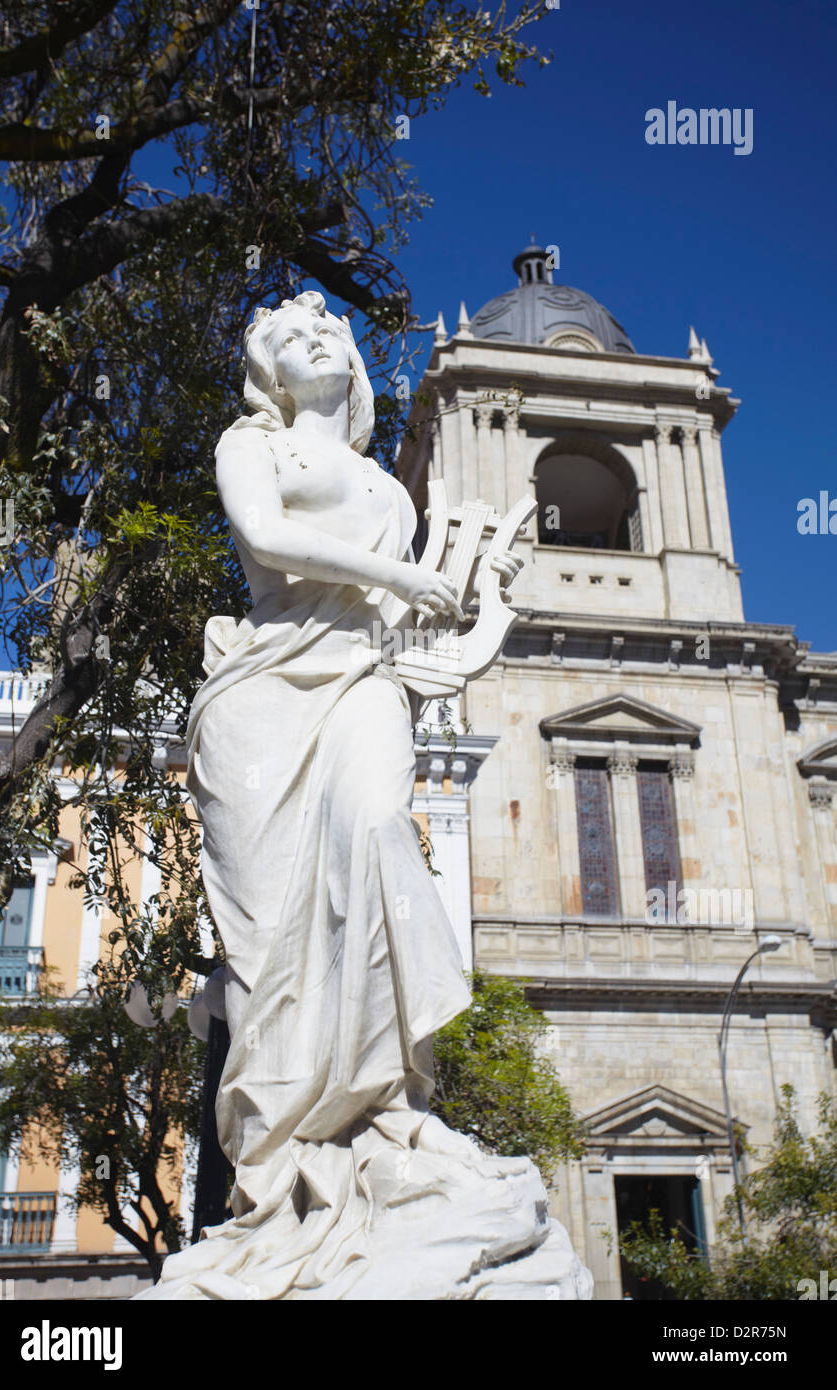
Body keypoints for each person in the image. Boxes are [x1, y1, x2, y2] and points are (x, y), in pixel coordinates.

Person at [141, 291, 576, 1301]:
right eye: (287, 341)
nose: (311, 344)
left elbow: (408, 624)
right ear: (270, 376)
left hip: (360, 683)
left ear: (348, 360)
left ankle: (383, 1109)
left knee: (380, 830)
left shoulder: (389, 489)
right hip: (259, 697)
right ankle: (279, 1174)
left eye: (323, 332)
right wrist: (404, 574)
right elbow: (264, 538)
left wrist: (478, 589)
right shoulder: (253, 450)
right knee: (268, 938)